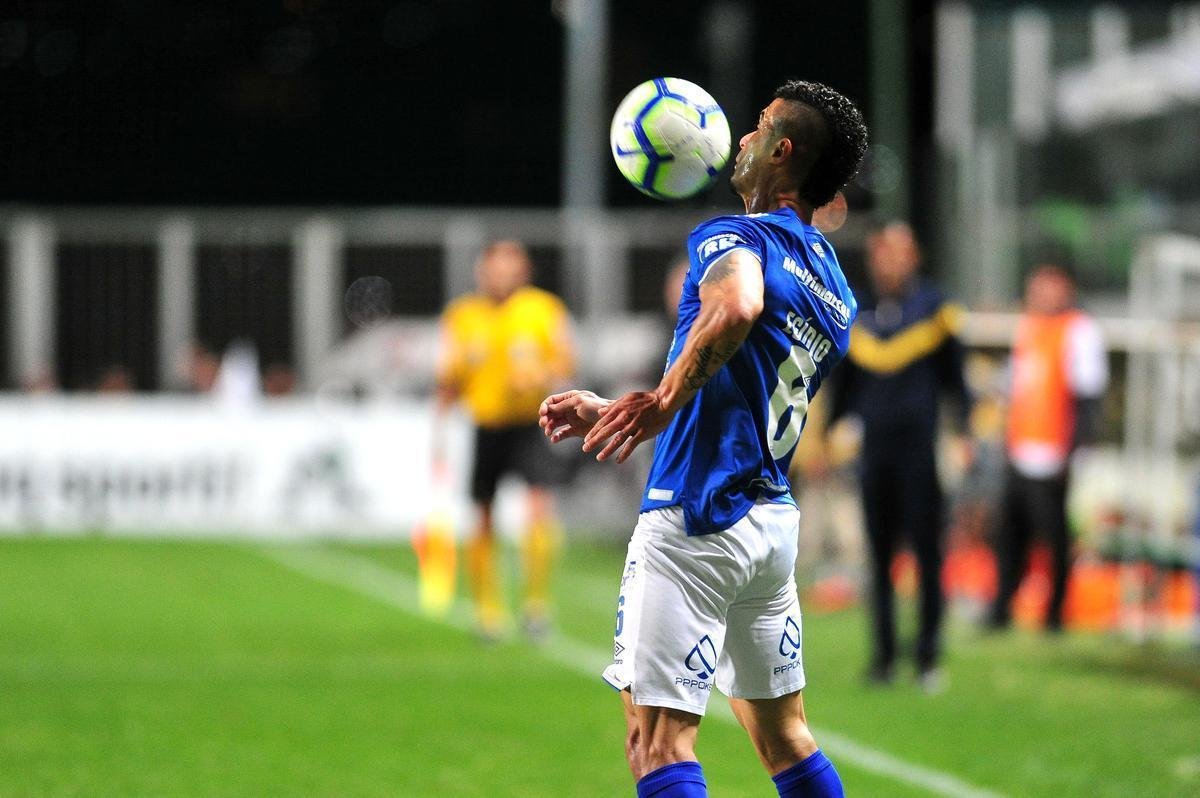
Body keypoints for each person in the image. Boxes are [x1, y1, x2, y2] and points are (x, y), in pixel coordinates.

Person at [540, 80, 867, 798]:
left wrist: (658, 403)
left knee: (657, 745)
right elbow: (740, 385)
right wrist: (627, 410)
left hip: (695, 517)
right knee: (786, 739)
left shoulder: (734, 237)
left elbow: (741, 304)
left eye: (757, 127)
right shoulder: (836, 288)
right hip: (768, 526)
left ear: (783, 152)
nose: (740, 139)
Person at [826, 221, 972, 689]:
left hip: (920, 450)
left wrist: (964, 430)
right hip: (875, 451)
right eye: (880, 252)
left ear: (914, 257)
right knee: (879, 556)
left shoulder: (936, 309)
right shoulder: (857, 311)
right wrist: (828, 433)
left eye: (897, 252)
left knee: (928, 555)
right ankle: (884, 657)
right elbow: (844, 385)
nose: (887, 261)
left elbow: (956, 380)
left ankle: (928, 656)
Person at [436, 240, 574, 641]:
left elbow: (566, 360)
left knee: (538, 506)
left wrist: (542, 374)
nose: (502, 276)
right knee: (482, 515)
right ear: (482, 272)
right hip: (487, 425)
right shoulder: (463, 315)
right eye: (495, 269)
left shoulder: (543, 309)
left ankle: (536, 605)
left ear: (524, 272)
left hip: (531, 423)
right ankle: (488, 611)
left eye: (510, 268)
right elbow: (449, 378)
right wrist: (439, 431)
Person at [988, 263, 1107, 633]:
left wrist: (1073, 453)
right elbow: (1018, 391)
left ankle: (1055, 613)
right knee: (1009, 535)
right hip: (1021, 449)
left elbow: (1087, 398)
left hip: (1054, 455)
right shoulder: (1029, 326)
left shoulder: (1079, 330)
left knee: (1053, 537)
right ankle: (1002, 606)